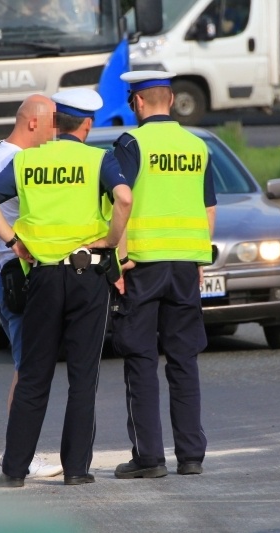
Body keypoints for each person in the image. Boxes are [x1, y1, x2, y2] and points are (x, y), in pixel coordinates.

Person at [0, 87, 132, 488]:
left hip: (42, 277)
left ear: (55, 122)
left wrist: (14, 242)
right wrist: (112, 242)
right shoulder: (100, 159)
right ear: (86, 124)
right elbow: (124, 198)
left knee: (33, 374)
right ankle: (77, 470)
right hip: (88, 278)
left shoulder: (27, 160)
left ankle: (13, 470)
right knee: (82, 377)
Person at [110, 70, 217, 479]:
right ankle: (191, 455)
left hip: (142, 264)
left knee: (140, 357)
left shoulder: (130, 143)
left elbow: (121, 201)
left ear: (138, 103)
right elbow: (208, 209)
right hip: (186, 265)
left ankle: (149, 458)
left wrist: (117, 261)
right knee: (183, 359)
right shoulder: (197, 146)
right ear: (170, 100)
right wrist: (199, 258)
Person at [0, 93, 63, 478]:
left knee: (24, 367)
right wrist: (15, 242)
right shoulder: (14, 160)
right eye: (50, 125)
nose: (54, 133)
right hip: (16, 274)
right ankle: (20, 455)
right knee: (28, 371)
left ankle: (20, 454)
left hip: (5, 273)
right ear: (33, 123)